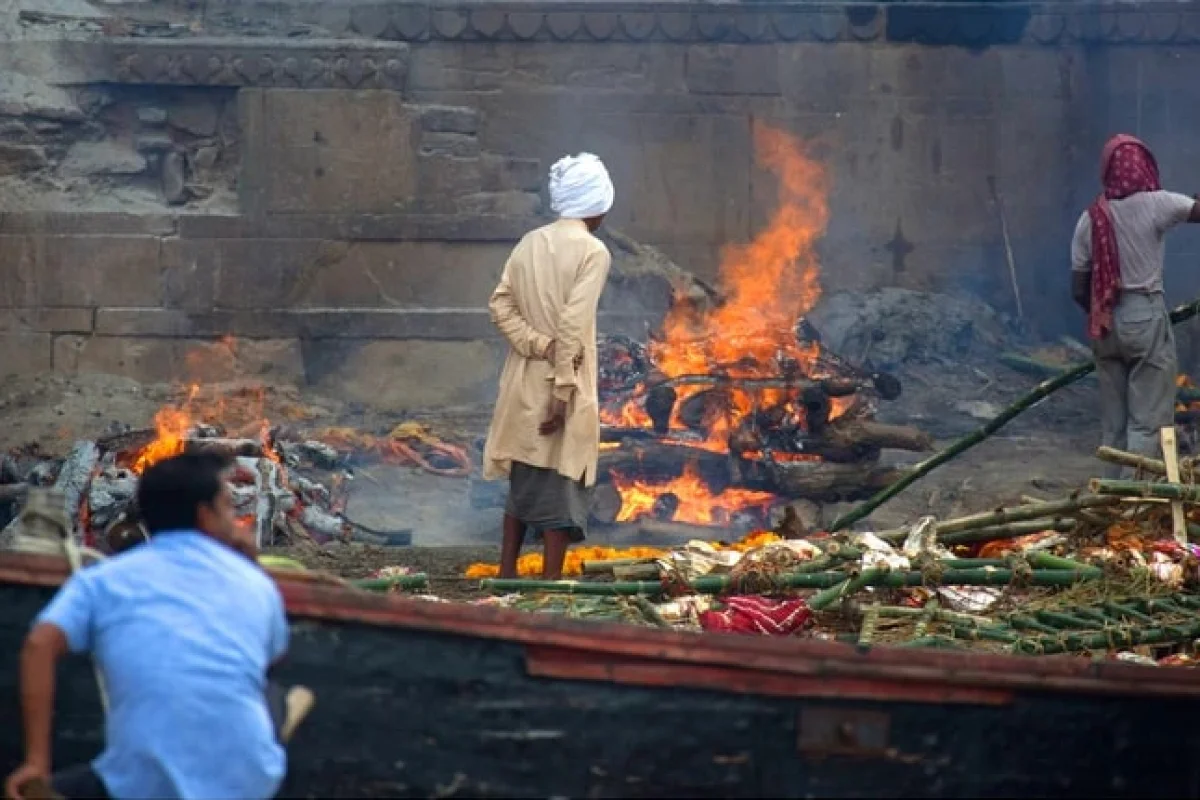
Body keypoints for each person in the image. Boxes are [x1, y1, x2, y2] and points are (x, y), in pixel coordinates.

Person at [5, 452, 290, 800]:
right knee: (272, 692)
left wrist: (36, 761)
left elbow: (39, 645)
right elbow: (269, 661)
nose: (237, 521)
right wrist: (250, 565)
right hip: (248, 783)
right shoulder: (256, 584)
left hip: (140, 784)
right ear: (205, 516)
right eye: (229, 508)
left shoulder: (105, 580)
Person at [483, 152, 615, 580]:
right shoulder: (593, 252)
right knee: (561, 483)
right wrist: (562, 391)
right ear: (597, 205)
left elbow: (499, 305)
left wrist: (535, 344)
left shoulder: (529, 242)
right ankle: (549, 583)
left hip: (524, 378)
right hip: (564, 381)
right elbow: (573, 326)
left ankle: (507, 572)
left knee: (524, 475)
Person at [1072, 135, 1200, 474]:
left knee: (1113, 425)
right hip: (1143, 316)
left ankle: (1109, 497)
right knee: (1147, 421)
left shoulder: (1091, 217)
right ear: (1145, 166)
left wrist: (1102, 313)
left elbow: (1078, 286)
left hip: (1104, 323)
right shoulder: (1156, 203)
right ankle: (1133, 505)